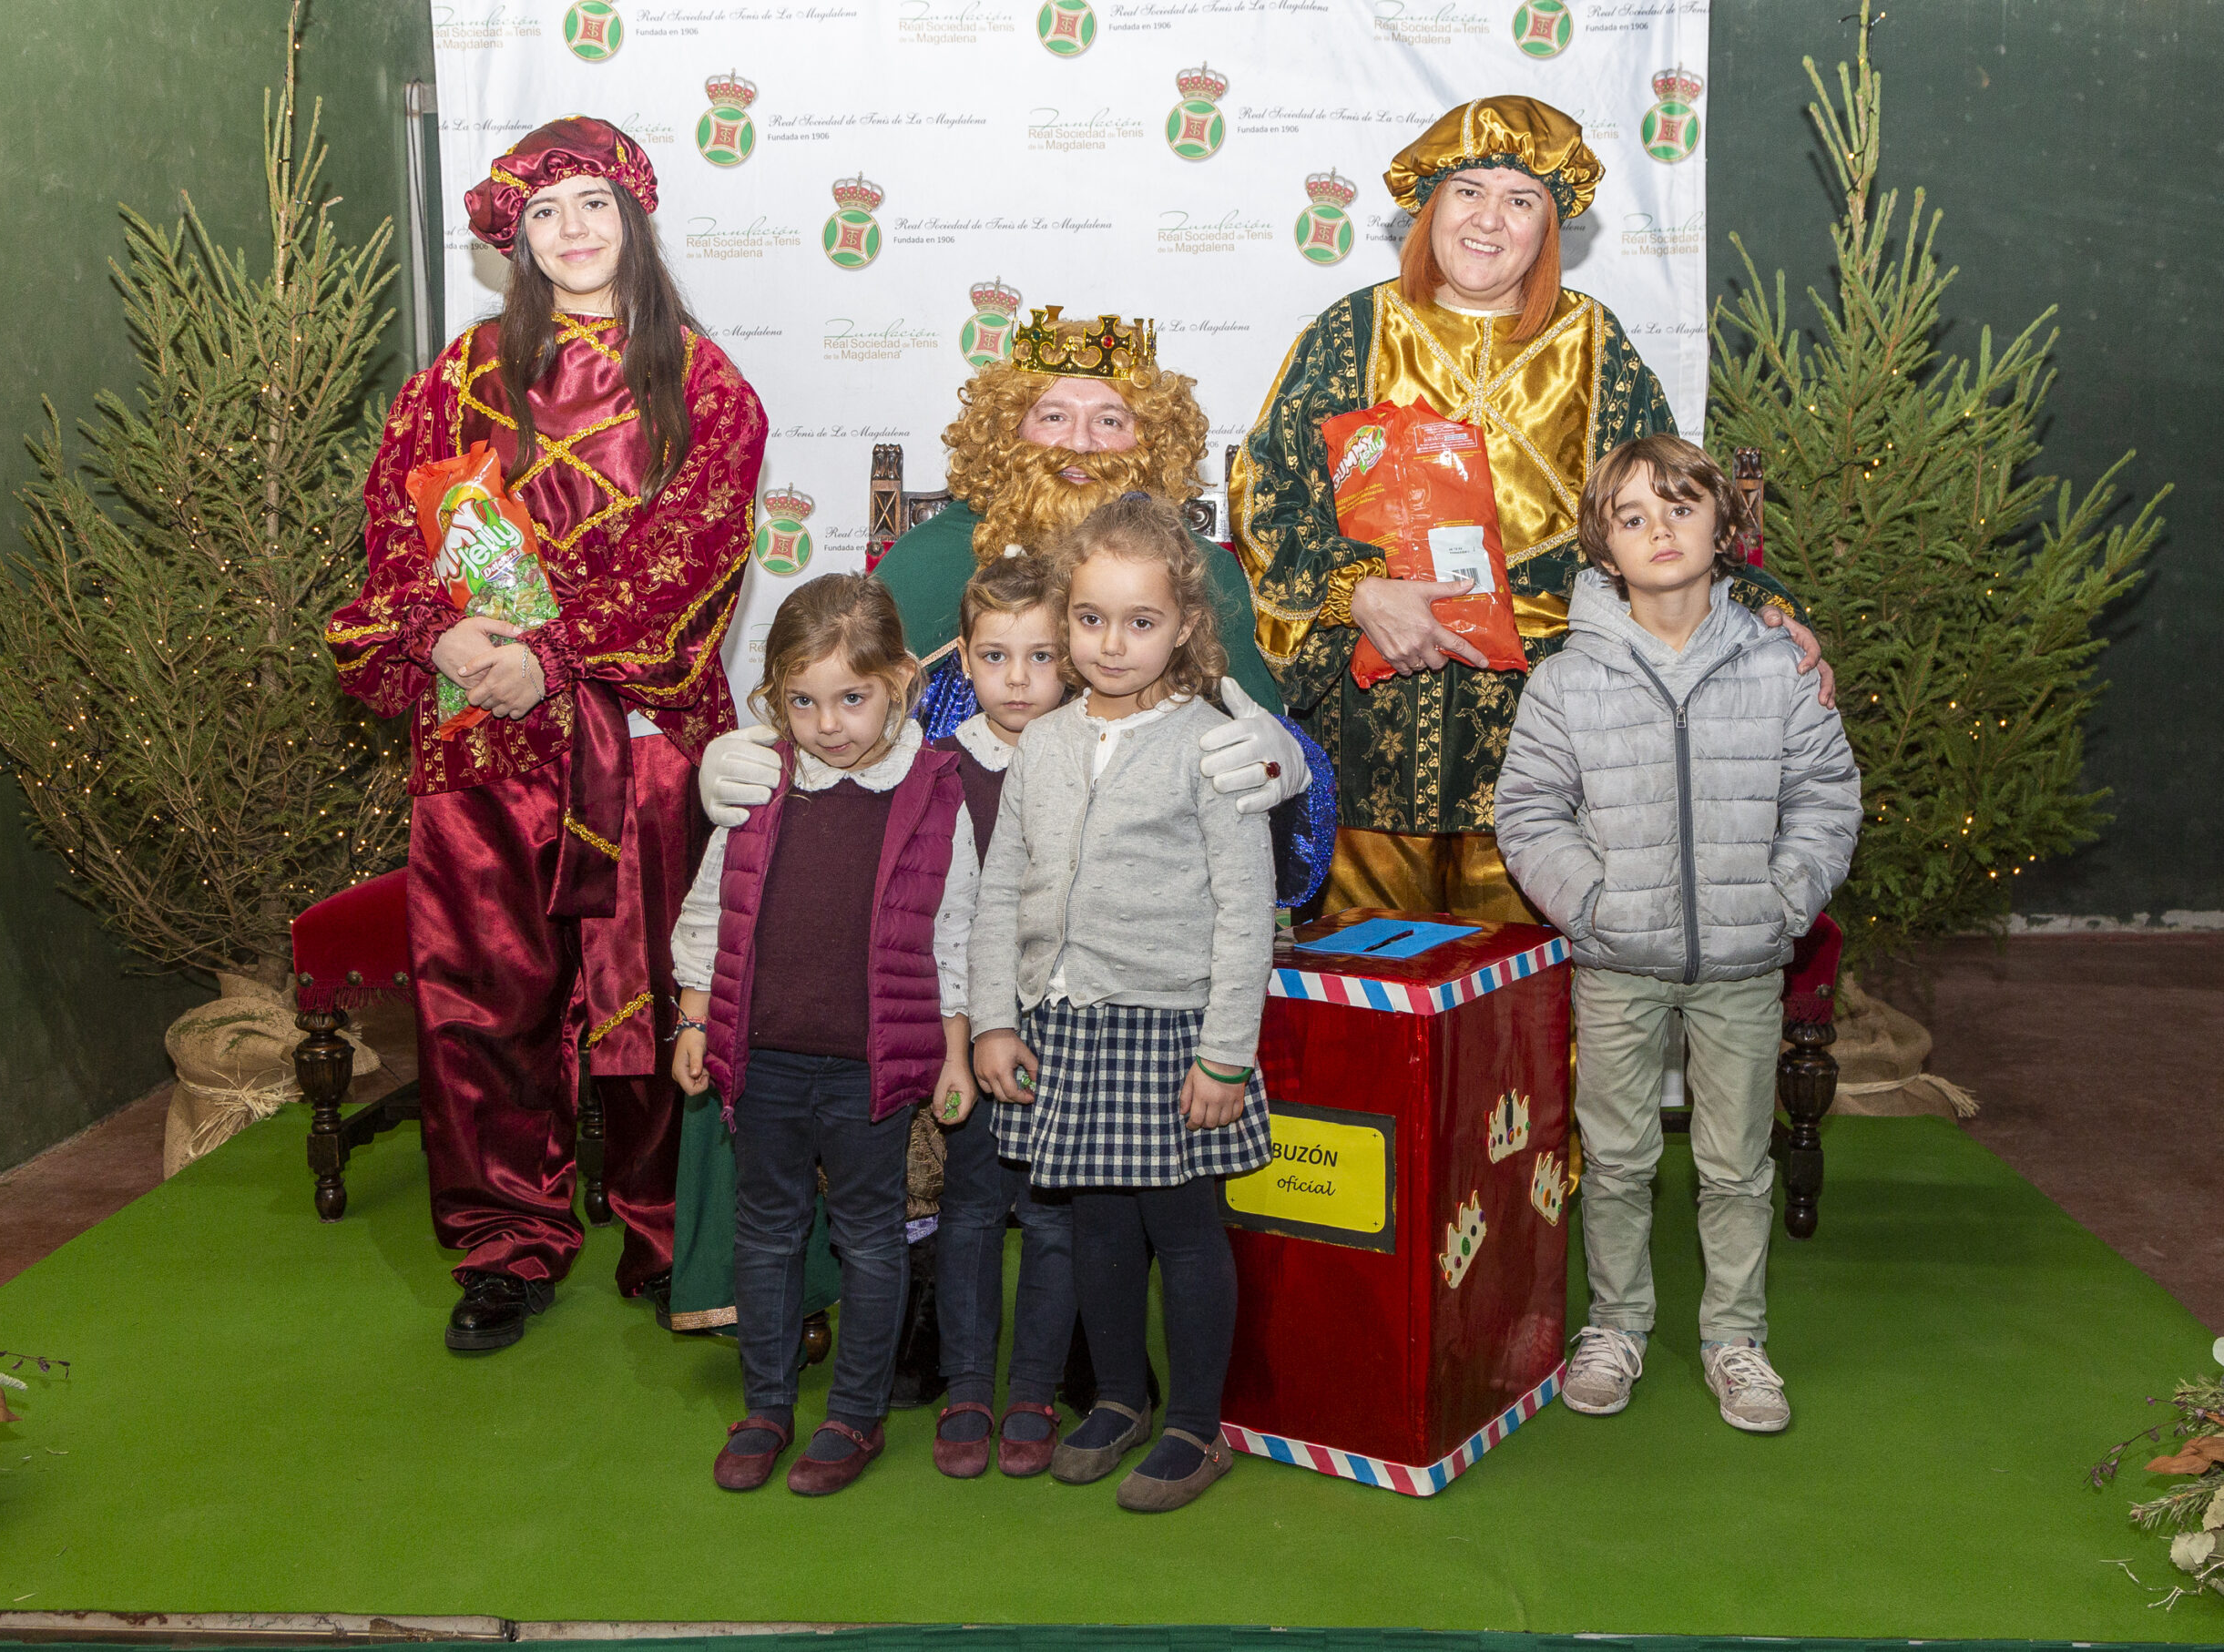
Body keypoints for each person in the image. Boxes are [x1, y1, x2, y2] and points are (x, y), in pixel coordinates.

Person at [326, 117, 765, 1351]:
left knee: (659, 989)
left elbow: (693, 556)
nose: (572, 230)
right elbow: (394, 528)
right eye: (545, 212)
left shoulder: (706, 383)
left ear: (634, 217)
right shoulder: (460, 374)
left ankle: (674, 1236)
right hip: (481, 738)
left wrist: (554, 656)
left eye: (594, 204)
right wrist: (439, 636)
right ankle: (504, 1242)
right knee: (482, 995)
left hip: (640, 738)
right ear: (515, 237)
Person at [1234, 96, 1829, 923]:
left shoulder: (1596, 345)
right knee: (1366, 971)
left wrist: (1761, 606)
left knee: (1529, 980)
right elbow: (1268, 492)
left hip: (1544, 731)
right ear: (1429, 204)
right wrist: (1358, 591)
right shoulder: (1353, 331)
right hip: (1374, 725)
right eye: (1468, 191)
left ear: (1550, 226)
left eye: (1521, 200)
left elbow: (1665, 504)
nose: (1489, 219)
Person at [1493, 435, 1861, 1433]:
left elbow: (1826, 796)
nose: (1659, 530)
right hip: (1617, 962)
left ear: (1722, 525)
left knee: (1735, 1163)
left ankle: (1736, 1338)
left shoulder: (1781, 666)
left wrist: (1781, 900)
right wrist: (1594, 906)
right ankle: (1615, 1324)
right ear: (1603, 545)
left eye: (1680, 507)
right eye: (1633, 516)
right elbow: (1528, 811)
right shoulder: (1567, 679)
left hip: (1743, 960)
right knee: (1615, 1159)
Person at [701, 309, 1327, 891]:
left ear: (1150, 441)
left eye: (1110, 420)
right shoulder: (932, 559)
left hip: (1149, 886)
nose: (1079, 443)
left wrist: (1290, 767)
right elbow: (833, 706)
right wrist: (767, 760)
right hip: (946, 879)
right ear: (1009, 433)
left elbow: (1267, 760)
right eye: (1053, 416)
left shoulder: (1199, 574)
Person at [969, 495, 1275, 1514]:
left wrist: (1225, 1052)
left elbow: (1246, 910)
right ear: (1065, 616)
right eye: (1091, 618)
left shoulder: (1211, 744)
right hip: (1062, 1023)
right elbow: (999, 888)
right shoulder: (1042, 742)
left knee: (1183, 1231)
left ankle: (1196, 1424)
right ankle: (1118, 1397)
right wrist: (994, 1018)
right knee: (1096, 1227)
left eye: (1140, 621)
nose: (1111, 643)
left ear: (1183, 625)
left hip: (1170, 1028)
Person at [668, 573, 979, 1496]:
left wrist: (956, 1049)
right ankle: (767, 1405)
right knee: (765, 1233)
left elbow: (955, 932)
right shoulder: (760, 778)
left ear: (899, 682)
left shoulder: (934, 791)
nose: (828, 723)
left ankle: (854, 1415)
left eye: (851, 698)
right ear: (775, 696)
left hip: (868, 1069)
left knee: (871, 1237)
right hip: (761, 1056)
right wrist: (693, 1015)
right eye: (802, 701)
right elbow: (711, 906)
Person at [924, 553, 1078, 1479]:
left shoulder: (1095, 751)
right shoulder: (939, 769)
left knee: (1055, 1215)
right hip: (977, 1029)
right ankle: (968, 1385)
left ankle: (1034, 1389)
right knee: (974, 1207)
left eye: (1040, 656)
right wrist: (966, 1035)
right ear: (963, 660)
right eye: (994, 656)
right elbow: (947, 920)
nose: (1017, 679)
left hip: (1077, 1029)